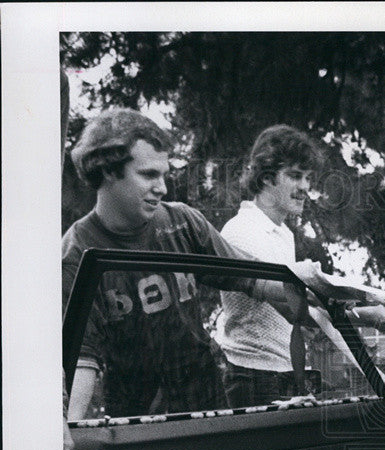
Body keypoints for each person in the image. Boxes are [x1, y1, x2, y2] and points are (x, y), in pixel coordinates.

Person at [63, 109, 319, 420]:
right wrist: (70, 429)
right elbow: (80, 360)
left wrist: (320, 288)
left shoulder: (182, 222)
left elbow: (255, 280)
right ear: (106, 170)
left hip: (207, 406)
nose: (162, 188)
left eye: (164, 174)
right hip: (137, 420)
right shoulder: (77, 252)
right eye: (148, 175)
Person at [216, 124, 385, 406]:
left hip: (281, 372)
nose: (305, 188)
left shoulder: (282, 234)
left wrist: (371, 313)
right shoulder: (243, 231)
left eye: (308, 178)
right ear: (266, 177)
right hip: (253, 377)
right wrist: (370, 313)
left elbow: (303, 309)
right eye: (295, 176)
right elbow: (293, 309)